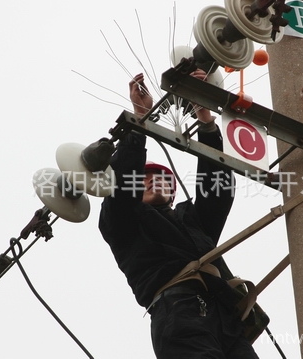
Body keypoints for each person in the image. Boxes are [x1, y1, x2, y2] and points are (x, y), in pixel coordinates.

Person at [98, 70, 259, 359]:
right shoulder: (122, 221)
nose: (153, 180)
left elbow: (217, 193)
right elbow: (123, 186)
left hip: (225, 318)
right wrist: (140, 124)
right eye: (144, 179)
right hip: (178, 310)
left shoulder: (190, 221)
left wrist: (206, 122)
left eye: (162, 179)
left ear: (173, 194)